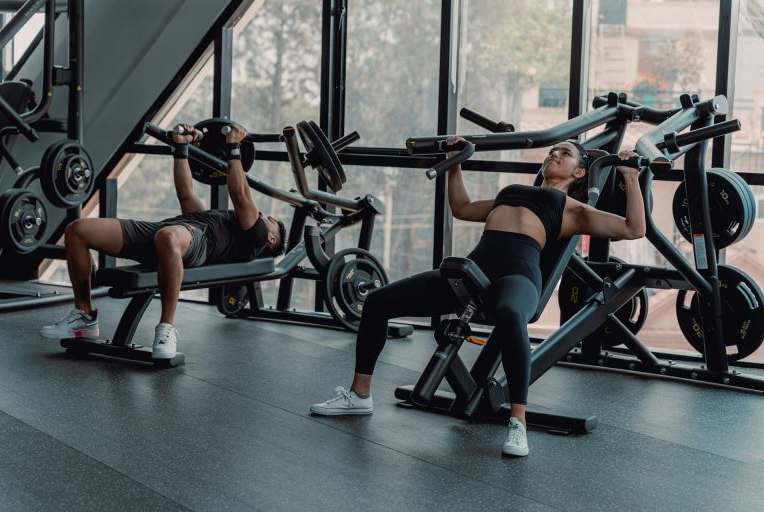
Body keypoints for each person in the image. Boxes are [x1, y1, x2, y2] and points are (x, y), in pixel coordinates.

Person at [310, 138, 645, 457]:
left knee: (512, 315)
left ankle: (518, 422)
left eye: (565, 153)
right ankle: (360, 394)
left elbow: (634, 229)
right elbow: (462, 208)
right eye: (553, 150)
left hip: (518, 278)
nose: (554, 154)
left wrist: (630, 178)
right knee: (377, 302)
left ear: (579, 173)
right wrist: (456, 165)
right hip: (470, 274)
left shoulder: (573, 209)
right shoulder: (510, 192)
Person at [41, 123, 287, 358]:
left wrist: (234, 147)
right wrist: (181, 148)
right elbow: (186, 192)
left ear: (271, 237)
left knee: (168, 236)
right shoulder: (219, 220)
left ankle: (166, 329)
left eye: (271, 219)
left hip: (193, 243)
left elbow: (240, 193)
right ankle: (84, 316)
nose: (264, 215)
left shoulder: (257, 238)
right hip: (169, 232)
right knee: (77, 230)